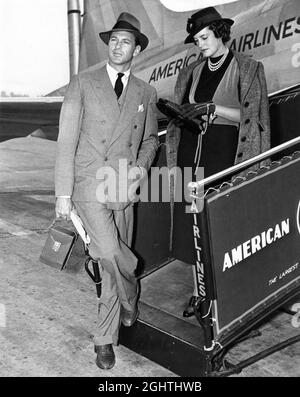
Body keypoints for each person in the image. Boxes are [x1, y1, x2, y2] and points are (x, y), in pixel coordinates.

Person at [55, 12, 158, 370]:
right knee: (111, 254)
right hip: (87, 184)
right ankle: (131, 296)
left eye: (125, 41)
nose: (117, 46)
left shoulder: (146, 92)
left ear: (136, 50)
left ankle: (105, 337)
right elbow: (66, 138)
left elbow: (149, 141)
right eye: (113, 39)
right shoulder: (82, 83)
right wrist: (62, 193)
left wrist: (139, 170)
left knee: (110, 264)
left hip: (122, 185)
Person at [165, 7, 271, 317]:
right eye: (196, 40)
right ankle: (198, 293)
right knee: (193, 226)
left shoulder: (248, 69)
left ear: (220, 33)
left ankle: (227, 297)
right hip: (191, 154)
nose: (200, 44)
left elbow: (255, 119)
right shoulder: (193, 72)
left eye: (204, 37)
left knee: (224, 227)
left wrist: (217, 110)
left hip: (225, 156)